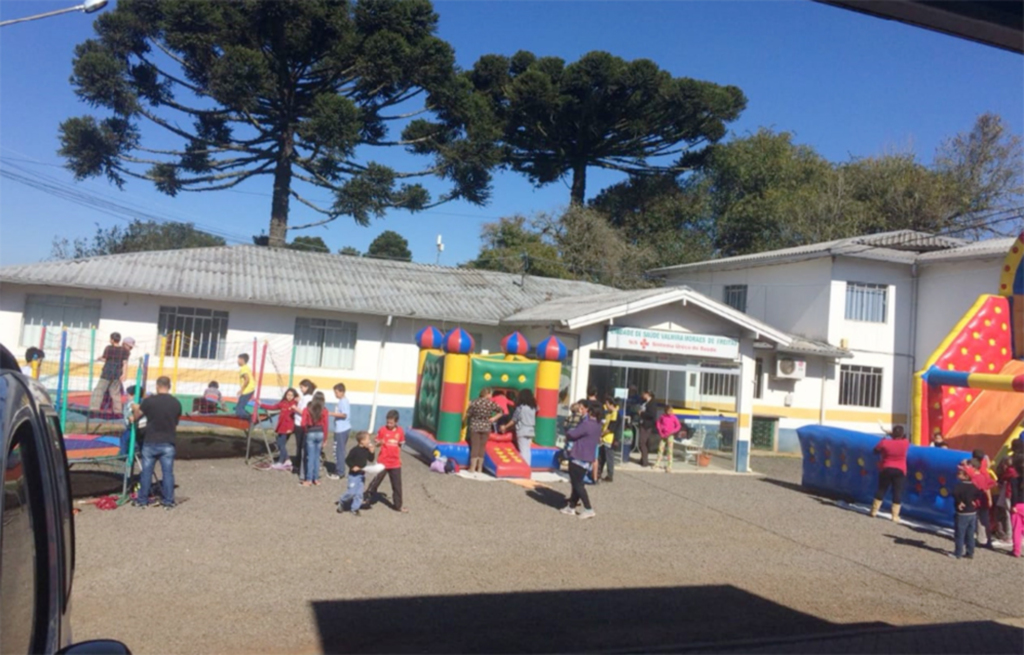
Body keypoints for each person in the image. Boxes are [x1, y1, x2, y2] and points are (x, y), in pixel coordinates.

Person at [131, 376, 182, 509]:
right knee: (168, 473)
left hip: (151, 441)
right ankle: (168, 501)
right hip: (168, 442)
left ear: (157, 386)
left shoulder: (149, 401)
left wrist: (135, 408)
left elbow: (136, 417)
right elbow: (176, 422)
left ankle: (142, 500)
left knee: (146, 472)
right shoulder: (176, 403)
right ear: (169, 386)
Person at [562, 401, 602, 520]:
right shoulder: (598, 425)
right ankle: (571, 506)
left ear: (590, 411)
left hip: (579, 455)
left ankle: (588, 508)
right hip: (588, 457)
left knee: (577, 484)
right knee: (577, 482)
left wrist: (568, 433)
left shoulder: (587, 424)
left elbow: (573, 434)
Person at [365, 410, 407, 512]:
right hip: (383, 461)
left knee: (397, 485)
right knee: (376, 481)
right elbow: (376, 444)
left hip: (395, 462)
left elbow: (400, 445)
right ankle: (367, 498)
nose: (389, 424)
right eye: (388, 422)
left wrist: (399, 457)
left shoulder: (400, 431)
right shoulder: (382, 430)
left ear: (396, 422)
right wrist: (380, 442)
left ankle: (398, 506)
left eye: (391, 423)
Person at [870, 425, 910, 522]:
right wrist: (892, 433)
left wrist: (887, 434)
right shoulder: (905, 443)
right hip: (900, 469)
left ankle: (874, 511)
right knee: (897, 492)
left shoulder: (885, 442)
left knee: (882, 489)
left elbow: (875, 450)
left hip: (886, 468)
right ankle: (895, 516)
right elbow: (904, 438)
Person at [90, 332, 132, 413]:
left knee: (99, 390)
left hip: (107, 372)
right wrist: (124, 374)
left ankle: (94, 409)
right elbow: (125, 363)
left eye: (110, 339)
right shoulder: (124, 351)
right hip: (117, 373)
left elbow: (106, 359)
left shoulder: (108, 348)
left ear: (112, 340)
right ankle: (118, 410)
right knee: (115, 393)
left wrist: (100, 359)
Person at [259, 388, 299, 471]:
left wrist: (290, 428)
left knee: (281, 444)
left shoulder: (295, 404)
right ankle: (287, 459)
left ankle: (281, 461)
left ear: (294, 396)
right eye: (288, 395)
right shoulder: (282, 403)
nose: (289, 397)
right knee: (280, 443)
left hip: (288, 427)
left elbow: (295, 416)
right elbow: (273, 407)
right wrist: (261, 404)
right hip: (281, 426)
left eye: (291, 395)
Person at [338, 431, 376, 516]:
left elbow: (371, 459)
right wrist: (353, 467)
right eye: (367, 439)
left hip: (361, 475)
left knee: (359, 494)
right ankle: (342, 501)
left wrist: (372, 452)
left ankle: (355, 508)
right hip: (353, 476)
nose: (369, 441)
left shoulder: (366, 450)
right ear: (362, 441)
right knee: (351, 492)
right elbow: (347, 460)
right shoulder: (354, 450)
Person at [465, 388, 501, 474]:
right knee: (482, 446)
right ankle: (480, 468)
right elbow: (501, 411)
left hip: (475, 426)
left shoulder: (475, 402)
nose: (491, 396)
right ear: (487, 394)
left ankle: (472, 467)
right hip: (486, 427)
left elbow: (468, 414)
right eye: (491, 394)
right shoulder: (491, 403)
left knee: (475, 446)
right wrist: (493, 418)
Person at [951, 463, 980, 559]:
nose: (957, 474)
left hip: (962, 513)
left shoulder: (959, 486)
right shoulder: (974, 486)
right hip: (972, 512)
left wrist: (959, 502)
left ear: (966, 476)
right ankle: (970, 552)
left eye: (960, 473)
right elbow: (979, 494)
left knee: (960, 533)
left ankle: (958, 553)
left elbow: (954, 493)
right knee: (970, 534)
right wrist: (974, 501)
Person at [502, 389, 537, 469]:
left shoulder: (520, 408)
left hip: (522, 430)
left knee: (523, 450)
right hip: (531, 430)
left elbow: (514, 420)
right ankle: (528, 466)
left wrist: (505, 427)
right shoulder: (533, 408)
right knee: (527, 450)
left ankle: (524, 467)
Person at [300, 391, 329, 486]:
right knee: (317, 457)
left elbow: (303, 423)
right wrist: (325, 438)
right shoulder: (324, 410)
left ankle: (308, 479)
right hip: (320, 432)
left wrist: (306, 431)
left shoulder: (307, 409)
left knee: (310, 457)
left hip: (311, 432)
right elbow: (326, 425)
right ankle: (316, 479)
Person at [292, 380, 317, 479]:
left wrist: (294, 407)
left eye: (302, 387)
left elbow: (304, 412)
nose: (301, 389)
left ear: (306, 387)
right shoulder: (306, 398)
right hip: (299, 423)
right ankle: (298, 465)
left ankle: (298, 466)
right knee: (300, 446)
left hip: (301, 424)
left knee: (300, 446)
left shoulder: (307, 398)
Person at [328, 383, 352, 480]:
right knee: (338, 450)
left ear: (342, 392)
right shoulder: (341, 401)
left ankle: (340, 472)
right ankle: (339, 469)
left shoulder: (343, 401)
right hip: (340, 428)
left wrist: (331, 413)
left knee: (340, 451)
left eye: (336, 392)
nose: (335, 394)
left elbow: (344, 415)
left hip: (342, 429)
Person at [597, 397, 619, 483]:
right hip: (604, 438)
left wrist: (602, 434)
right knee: (601, 457)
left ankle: (610, 475)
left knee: (609, 458)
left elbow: (611, 427)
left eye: (607, 404)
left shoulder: (615, 413)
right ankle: (598, 473)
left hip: (609, 439)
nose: (605, 406)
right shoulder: (609, 413)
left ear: (611, 404)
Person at [655, 405, 681, 472]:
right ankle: (657, 463)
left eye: (671, 411)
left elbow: (678, 426)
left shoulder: (674, 417)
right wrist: (660, 432)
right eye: (669, 411)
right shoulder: (662, 416)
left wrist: (673, 431)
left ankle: (669, 466)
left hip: (670, 436)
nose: (670, 412)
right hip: (663, 435)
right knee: (660, 449)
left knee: (670, 451)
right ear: (666, 411)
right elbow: (658, 424)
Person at [1009, 450, 1024, 558]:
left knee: (1017, 529)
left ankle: (1017, 550)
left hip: (1018, 505)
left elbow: (1014, 493)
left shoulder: (1015, 480)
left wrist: (1013, 505)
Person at [637, 391, 657, 467]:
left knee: (643, 442)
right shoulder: (645, 402)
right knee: (643, 442)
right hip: (643, 423)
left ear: (648, 394)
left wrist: (642, 413)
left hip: (647, 425)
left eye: (644, 394)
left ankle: (645, 461)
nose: (642, 395)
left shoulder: (652, 403)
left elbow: (652, 414)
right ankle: (642, 459)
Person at [235, 353, 256, 421]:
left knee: (239, 409)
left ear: (242, 360)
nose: (237, 361)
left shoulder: (243, 368)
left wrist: (241, 389)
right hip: (250, 389)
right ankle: (248, 418)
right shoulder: (246, 367)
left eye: (238, 360)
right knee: (239, 407)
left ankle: (250, 419)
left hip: (247, 390)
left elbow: (247, 379)